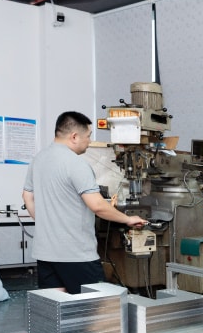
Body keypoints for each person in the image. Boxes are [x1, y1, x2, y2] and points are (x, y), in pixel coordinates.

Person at [22, 111, 146, 294]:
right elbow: (97, 206)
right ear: (74, 136)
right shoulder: (76, 163)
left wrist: (47, 224)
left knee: (57, 305)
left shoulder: (38, 159)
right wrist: (128, 219)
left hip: (45, 253)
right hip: (76, 255)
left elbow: (27, 197)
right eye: (88, 136)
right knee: (95, 306)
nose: (89, 141)